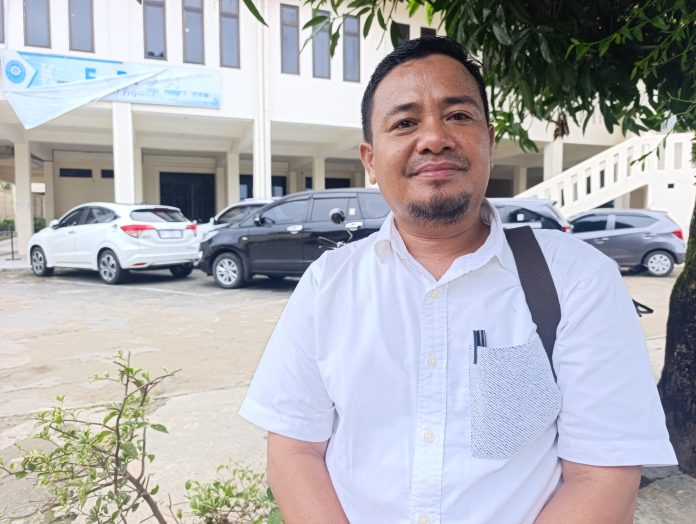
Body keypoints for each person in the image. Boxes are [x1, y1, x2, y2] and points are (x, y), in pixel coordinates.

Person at [240, 36, 676, 523]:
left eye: (458, 115)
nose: (434, 138)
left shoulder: (576, 280)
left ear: (488, 139)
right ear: (370, 159)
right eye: (405, 123)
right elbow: (295, 449)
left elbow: (602, 473)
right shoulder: (329, 284)